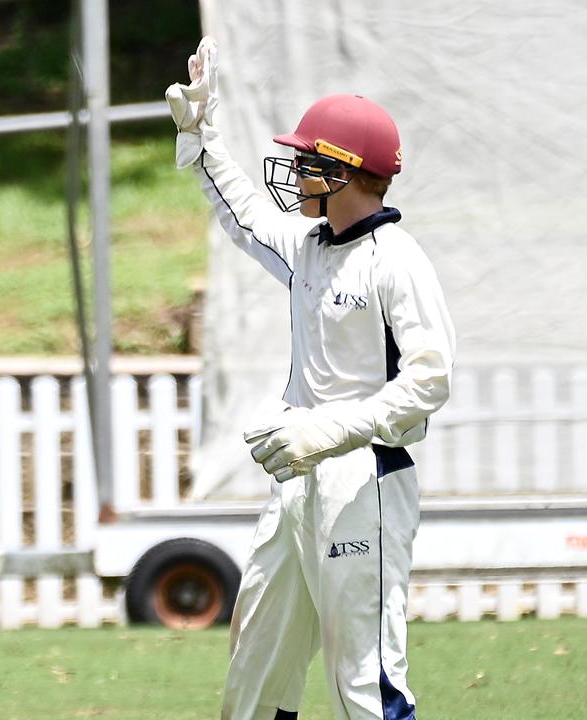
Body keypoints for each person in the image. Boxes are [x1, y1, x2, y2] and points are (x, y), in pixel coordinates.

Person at [166, 39, 455, 720]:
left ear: (347, 171)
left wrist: (328, 429)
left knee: (363, 680)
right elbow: (242, 215)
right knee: (255, 675)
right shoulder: (308, 246)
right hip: (297, 479)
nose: (295, 170)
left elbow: (430, 380)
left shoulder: (397, 259)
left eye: (308, 160)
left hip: (367, 480)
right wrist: (199, 135)